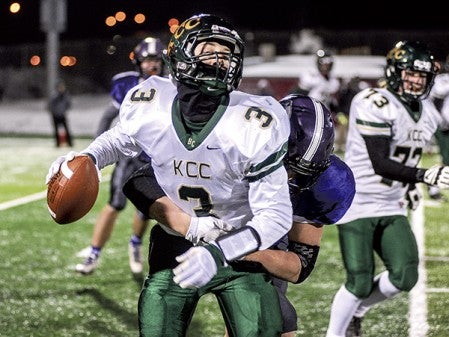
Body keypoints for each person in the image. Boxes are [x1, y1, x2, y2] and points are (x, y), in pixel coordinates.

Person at [46, 13, 292, 337]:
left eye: (226, 52)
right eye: (209, 50)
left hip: (238, 245)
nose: (220, 60)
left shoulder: (253, 120)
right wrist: (87, 156)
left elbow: (276, 216)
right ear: (181, 57)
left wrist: (220, 251)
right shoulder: (152, 101)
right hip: (174, 243)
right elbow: (119, 140)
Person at [122, 93, 356, 337]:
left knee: (278, 323)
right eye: (285, 166)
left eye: (302, 174)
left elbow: (299, 267)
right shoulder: (233, 143)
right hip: (189, 235)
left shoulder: (326, 185)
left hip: (257, 244)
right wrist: (192, 227)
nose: (290, 179)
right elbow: (141, 182)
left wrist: (237, 248)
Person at [325, 40, 449, 337]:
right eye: (410, 73)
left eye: (422, 76)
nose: (416, 81)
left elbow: (408, 153)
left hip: (391, 201)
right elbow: (380, 162)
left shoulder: (429, 112)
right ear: (395, 72)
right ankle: (335, 334)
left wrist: (409, 186)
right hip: (357, 200)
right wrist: (423, 175)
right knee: (360, 281)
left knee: (405, 276)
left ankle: (360, 310)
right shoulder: (372, 100)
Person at [75, 37, 166, 275]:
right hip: (130, 155)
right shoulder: (126, 85)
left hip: (155, 158)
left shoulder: (171, 87)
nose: (152, 64)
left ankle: (135, 244)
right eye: (147, 60)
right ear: (138, 62)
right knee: (114, 204)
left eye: (156, 59)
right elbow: (107, 116)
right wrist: (97, 149)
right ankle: (94, 253)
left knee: (145, 209)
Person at [427, 56, 449, 201]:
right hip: (445, 126)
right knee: (447, 158)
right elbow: (436, 100)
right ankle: (432, 184)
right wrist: (441, 121)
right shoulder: (443, 80)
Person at [48, 80, 73, 147]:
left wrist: (63, 110)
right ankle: (58, 143)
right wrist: (54, 112)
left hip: (62, 115)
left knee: (66, 129)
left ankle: (70, 143)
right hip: (55, 115)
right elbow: (50, 105)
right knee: (56, 130)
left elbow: (68, 104)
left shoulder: (65, 95)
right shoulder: (55, 95)